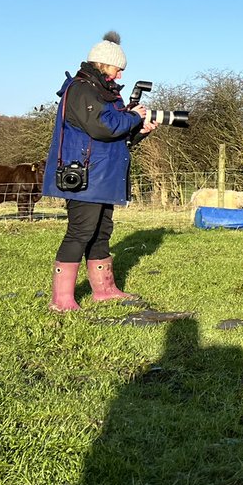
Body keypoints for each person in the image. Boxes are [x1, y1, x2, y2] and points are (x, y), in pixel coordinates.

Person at [43, 32, 157, 312]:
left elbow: (115, 136)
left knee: (102, 232)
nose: (119, 76)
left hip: (103, 174)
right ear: (104, 64)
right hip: (84, 175)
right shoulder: (82, 89)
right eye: (118, 69)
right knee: (80, 231)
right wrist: (133, 117)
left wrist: (138, 130)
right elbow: (102, 127)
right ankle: (61, 300)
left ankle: (104, 290)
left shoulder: (103, 92)